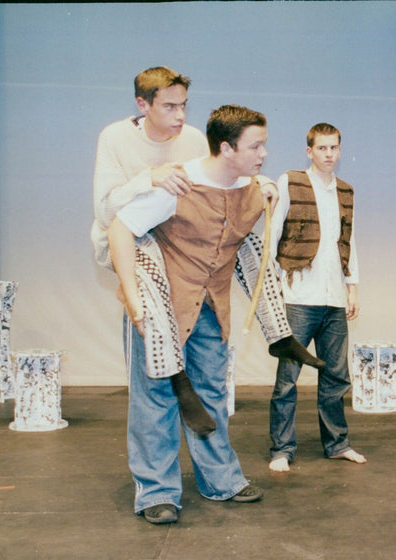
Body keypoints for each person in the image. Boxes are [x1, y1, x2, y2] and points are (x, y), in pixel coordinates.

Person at [91, 66, 323, 436]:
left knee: (246, 242)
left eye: (183, 105)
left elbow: (217, 176)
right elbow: (107, 214)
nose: (180, 115)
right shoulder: (115, 138)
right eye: (169, 107)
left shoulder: (193, 137)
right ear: (142, 104)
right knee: (153, 276)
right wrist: (148, 179)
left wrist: (254, 182)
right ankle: (178, 381)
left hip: (187, 239)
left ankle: (279, 334)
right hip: (135, 239)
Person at [105, 104, 274, 524]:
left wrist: (266, 188)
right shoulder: (177, 185)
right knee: (155, 399)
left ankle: (221, 480)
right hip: (161, 308)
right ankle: (156, 493)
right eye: (255, 146)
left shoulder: (252, 187)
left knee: (212, 395)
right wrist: (133, 297)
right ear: (226, 148)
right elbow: (119, 229)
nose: (263, 153)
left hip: (210, 309)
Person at [266, 123, 367, 473]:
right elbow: (274, 232)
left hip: (334, 298)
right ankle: (281, 448)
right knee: (287, 377)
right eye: (322, 148)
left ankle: (337, 444)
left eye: (334, 148)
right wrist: (274, 287)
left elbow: (348, 241)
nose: (329, 154)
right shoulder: (290, 181)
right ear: (309, 151)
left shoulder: (346, 191)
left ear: (340, 150)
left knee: (337, 376)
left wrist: (352, 287)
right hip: (298, 295)